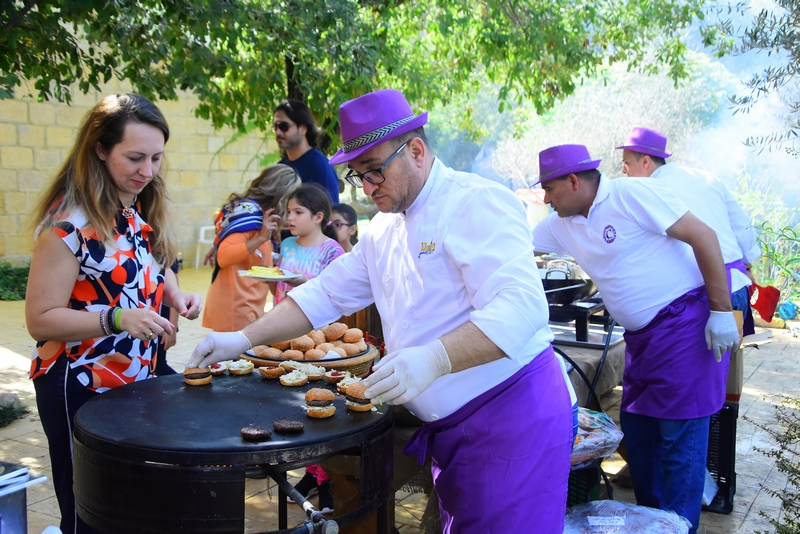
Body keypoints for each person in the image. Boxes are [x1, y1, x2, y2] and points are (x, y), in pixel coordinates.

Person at [188, 88, 575, 533]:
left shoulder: (476, 202)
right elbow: (324, 295)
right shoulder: (383, 230)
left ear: (415, 150)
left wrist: (434, 358)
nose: (368, 189)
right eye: (358, 177)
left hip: (511, 419)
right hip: (453, 429)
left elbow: (522, 308)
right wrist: (242, 340)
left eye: (374, 172)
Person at [532, 144, 740, 534]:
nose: (545, 198)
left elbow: (704, 235)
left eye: (549, 188)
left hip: (684, 328)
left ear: (574, 181)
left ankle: (679, 527)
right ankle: (652, 525)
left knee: (679, 442)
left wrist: (720, 310)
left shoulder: (632, 196)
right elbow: (515, 244)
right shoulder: (562, 223)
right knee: (640, 436)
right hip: (642, 341)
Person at [25, 93, 203, 534]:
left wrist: (174, 295)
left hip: (137, 378)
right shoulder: (66, 227)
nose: (148, 171)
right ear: (100, 150)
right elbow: (40, 318)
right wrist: (118, 318)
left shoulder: (134, 204)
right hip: (80, 384)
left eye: (157, 158)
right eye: (136, 158)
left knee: (134, 506)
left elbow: (158, 262)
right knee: (90, 511)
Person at [617, 126, 761, 334]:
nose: (624, 170)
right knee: (728, 359)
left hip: (703, 296)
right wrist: (747, 268)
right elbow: (744, 230)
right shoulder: (706, 178)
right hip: (737, 287)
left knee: (703, 365)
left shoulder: (649, 191)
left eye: (626, 163)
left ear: (646, 161)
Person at [202, 165, 301, 331]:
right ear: (281, 196)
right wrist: (262, 237)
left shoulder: (259, 216)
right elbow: (224, 256)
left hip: (248, 303)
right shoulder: (251, 216)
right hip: (237, 306)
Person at [273, 183, 345, 304]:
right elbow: (278, 291)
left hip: (316, 322)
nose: (290, 217)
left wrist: (305, 282)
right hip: (281, 319)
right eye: (289, 211)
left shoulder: (332, 250)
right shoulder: (286, 245)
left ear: (318, 217)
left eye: (298, 212)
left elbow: (337, 298)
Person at [274, 99, 340, 205]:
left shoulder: (320, 166)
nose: (278, 132)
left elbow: (330, 214)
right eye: (275, 127)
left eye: (283, 126)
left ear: (303, 129)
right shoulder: (281, 168)